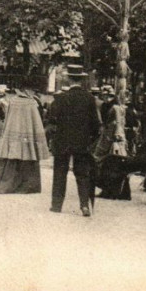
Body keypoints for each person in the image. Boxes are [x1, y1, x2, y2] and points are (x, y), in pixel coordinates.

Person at [46, 65, 101, 217]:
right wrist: (90, 140)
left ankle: (56, 205)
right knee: (83, 174)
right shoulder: (89, 99)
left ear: (68, 79)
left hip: (62, 141)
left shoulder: (60, 98)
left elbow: (52, 121)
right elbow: (96, 124)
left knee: (60, 173)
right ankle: (84, 206)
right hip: (82, 143)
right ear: (82, 80)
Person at [0, 80, 49, 194]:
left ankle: (8, 183)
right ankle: (27, 185)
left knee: (12, 158)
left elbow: (8, 118)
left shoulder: (12, 101)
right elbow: (36, 122)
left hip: (13, 133)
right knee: (28, 156)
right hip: (28, 135)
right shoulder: (32, 103)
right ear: (28, 91)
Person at [94, 86, 130, 200]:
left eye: (106, 96)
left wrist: (114, 137)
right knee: (114, 164)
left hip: (112, 138)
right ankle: (115, 190)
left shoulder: (112, 107)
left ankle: (110, 190)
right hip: (115, 137)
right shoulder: (117, 107)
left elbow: (114, 124)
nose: (104, 98)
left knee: (109, 164)